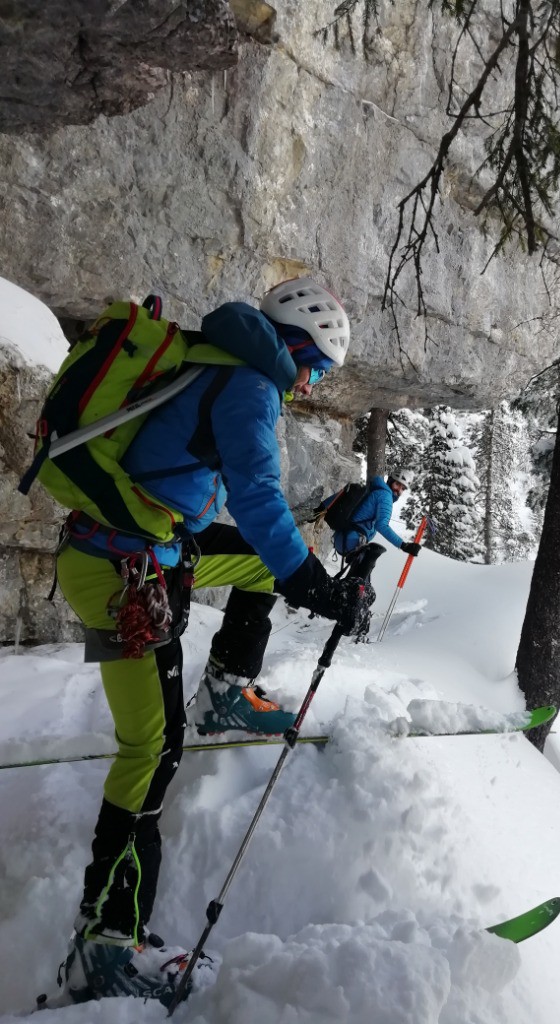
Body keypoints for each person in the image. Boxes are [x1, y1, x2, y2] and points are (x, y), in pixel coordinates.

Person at [52, 276, 374, 1006]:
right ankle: (105, 944)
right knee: (151, 748)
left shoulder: (214, 357)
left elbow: (218, 493)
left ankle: (225, 688)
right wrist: (315, 586)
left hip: (142, 548)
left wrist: (295, 565)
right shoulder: (251, 386)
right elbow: (257, 496)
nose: (311, 385)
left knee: (258, 563)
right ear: (297, 348)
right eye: (317, 369)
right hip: (121, 571)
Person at [325, 468, 421, 560]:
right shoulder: (386, 496)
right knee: (373, 556)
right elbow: (382, 525)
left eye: (402, 488)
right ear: (390, 481)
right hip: (353, 541)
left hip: (342, 537)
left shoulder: (374, 489)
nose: (399, 490)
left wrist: (321, 507)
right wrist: (403, 545)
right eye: (397, 484)